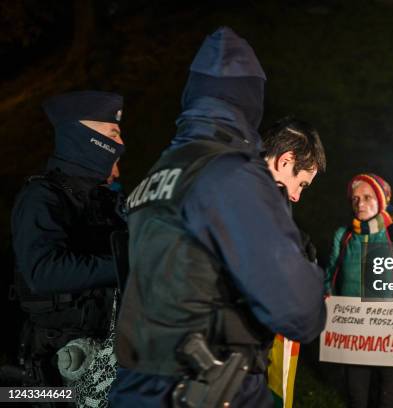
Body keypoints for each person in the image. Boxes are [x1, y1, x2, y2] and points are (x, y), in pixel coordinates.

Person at [109, 27, 326, 408]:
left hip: (139, 386)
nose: (295, 195)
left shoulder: (159, 173)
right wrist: (308, 271)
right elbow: (299, 312)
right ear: (250, 99)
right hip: (207, 388)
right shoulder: (232, 175)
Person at [10, 90, 126, 406]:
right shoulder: (42, 197)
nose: (121, 143)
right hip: (54, 375)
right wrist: (125, 264)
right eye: (113, 133)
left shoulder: (105, 201)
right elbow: (43, 273)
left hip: (104, 362)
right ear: (82, 134)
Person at [326, 173, 393, 408]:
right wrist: (330, 309)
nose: (360, 204)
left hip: (390, 336)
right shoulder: (344, 236)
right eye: (355, 198)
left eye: (368, 197)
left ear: (382, 200)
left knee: (389, 399)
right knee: (356, 398)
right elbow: (329, 277)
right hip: (352, 336)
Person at [261, 116, 326, 407]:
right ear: (286, 161)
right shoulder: (241, 195)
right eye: (301, 183)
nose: (297, 196)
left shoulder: (261, 193)